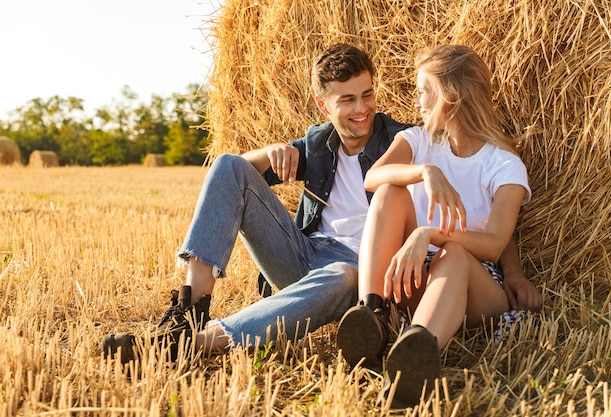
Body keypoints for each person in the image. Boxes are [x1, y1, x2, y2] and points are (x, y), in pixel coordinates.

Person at [103, 43, 539, 365]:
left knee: (345, 275)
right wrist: (270, 152)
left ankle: (198, 344)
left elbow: (485, 216)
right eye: (347, 100)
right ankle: (187, 311)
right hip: (303, 255)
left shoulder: (408, 137)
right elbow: (235, 176)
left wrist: (514, 273)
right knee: (228, 165)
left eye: (367, 95)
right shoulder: (317, 144)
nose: (361, 109)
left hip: (360, 269)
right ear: (323, 104)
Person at [336, 44, 540, 408]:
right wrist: (425, 171)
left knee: (456, 253)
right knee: (389, 193)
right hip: (413, 279)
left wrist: (428, 234)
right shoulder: (418, 141)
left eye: (422, 91)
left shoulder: (504, 165)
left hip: (475, 290)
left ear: (449, 96)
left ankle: (413, 359)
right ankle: (375, 314)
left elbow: (494, 244)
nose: (417, 102)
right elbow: (373, 177)